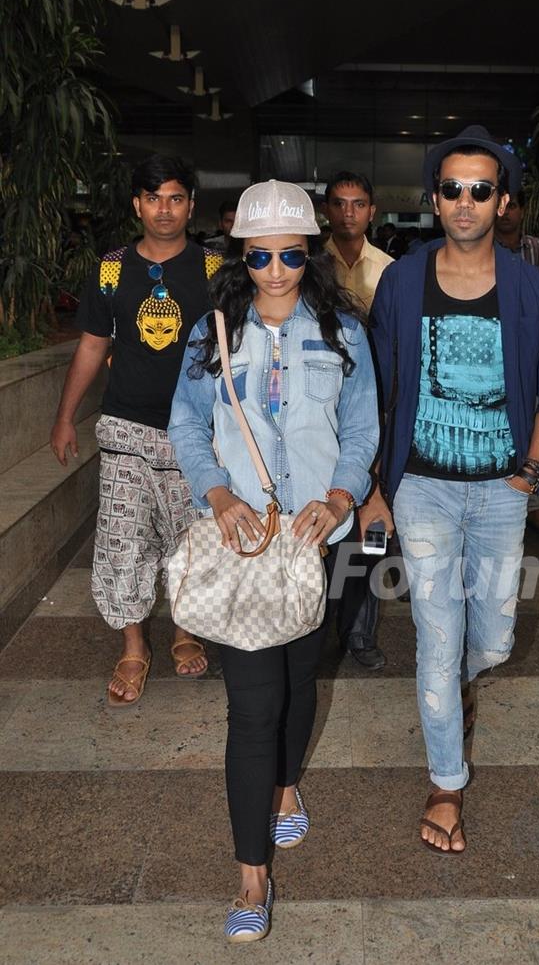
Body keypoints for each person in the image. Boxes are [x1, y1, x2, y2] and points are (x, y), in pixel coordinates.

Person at [168, 179, 378, 941]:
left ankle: (289, 786)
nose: (278, 269)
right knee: (253, 707)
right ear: (241, 255)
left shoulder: (342, 330)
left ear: (310, 250)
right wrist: (217, 493)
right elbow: (187, 425)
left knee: (298, 680)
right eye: (261, 255)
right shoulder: (213, 329)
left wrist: (342, 495)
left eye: (292, 253)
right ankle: (251, 875)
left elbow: (361, 427)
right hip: (245, 542)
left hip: (313, 545)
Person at [365, 125, 539, 854]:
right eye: (452, 188)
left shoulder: (529, 287)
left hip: (500, 492)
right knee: (437, 633)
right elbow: (378, 393)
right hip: (421, 486)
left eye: (481, 190)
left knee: (496, 637)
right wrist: (376, 487)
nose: (465, 201)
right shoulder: (401, 281)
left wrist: (529, 469)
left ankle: (459, 687)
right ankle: (446, 783)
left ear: (502, 200)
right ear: (434, 197)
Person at [50, 154, 223, 704]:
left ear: (191, 204)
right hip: (125, 427)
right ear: (137, 205)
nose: (164, 210)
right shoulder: (110, 268)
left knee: (190, 541)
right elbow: (93, 344)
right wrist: (64, 417)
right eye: (153, 199)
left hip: (195, 433)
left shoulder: (216, 270)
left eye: (175, 198)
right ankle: (133, 645)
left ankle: (185, 630)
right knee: (123, 541)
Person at [323, 170, 394, 668]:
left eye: (359, 204)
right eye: (340, 203)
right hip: (323, 409)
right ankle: (323, 630)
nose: (349, 212)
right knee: (327, 521)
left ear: (373, 211)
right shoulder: (303, 267)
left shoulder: (392, 272)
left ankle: (362, 634)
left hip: (377, 407)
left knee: (373, 526)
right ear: (328, 210)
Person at [496, 189, 539, 533]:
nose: (507, 214)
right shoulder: (483, 249)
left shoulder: (536, 250)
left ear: (518, 210)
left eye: (514, 207)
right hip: (498, 345)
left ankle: (536, 500)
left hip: (532, 346)